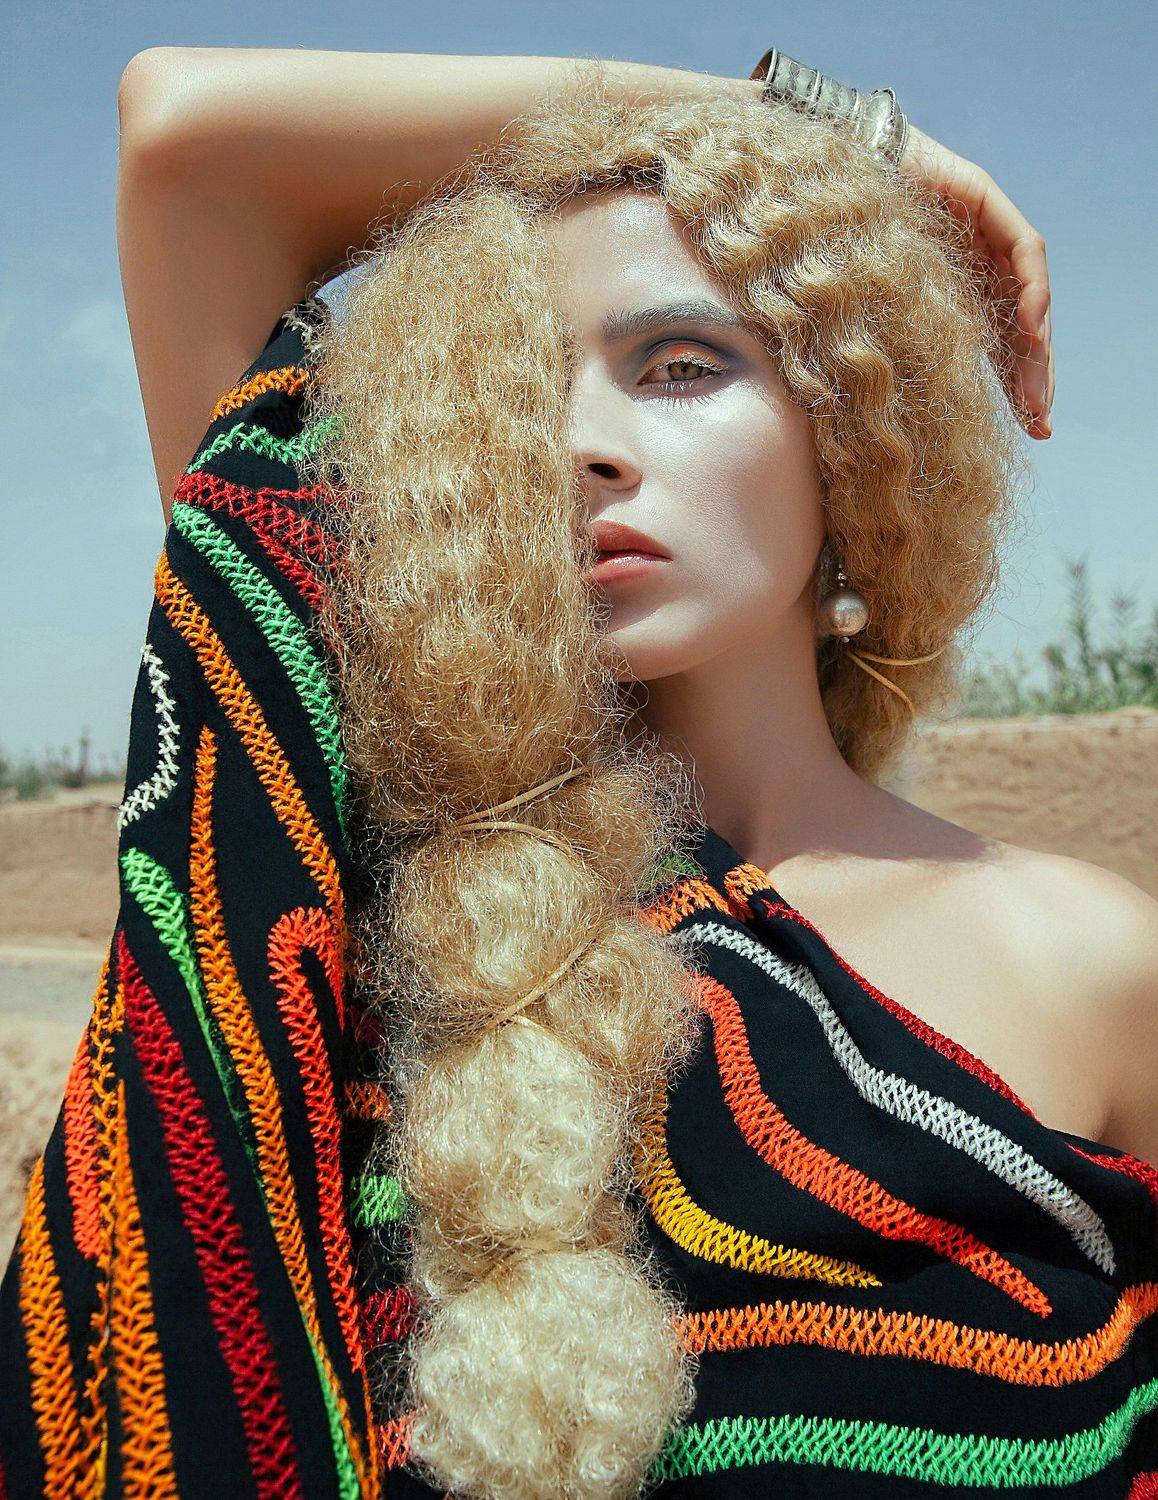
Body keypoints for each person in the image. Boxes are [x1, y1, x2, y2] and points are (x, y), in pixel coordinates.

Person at [1, 45, 1154, 1500]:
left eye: (682, 366)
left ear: (852, 444)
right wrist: (798, 123)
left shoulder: (1089, 962)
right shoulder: (361, 888)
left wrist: (806, 179)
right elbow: (188, 138)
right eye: (515, 397)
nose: (577, 449)